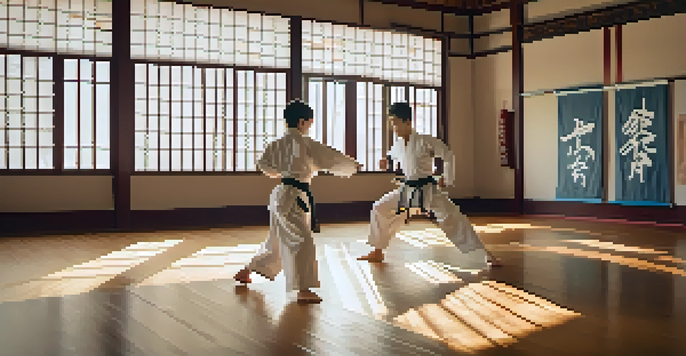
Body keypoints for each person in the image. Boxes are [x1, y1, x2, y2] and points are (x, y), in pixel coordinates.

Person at [233, 99, 362, 303]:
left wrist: (283, 172)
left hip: (280, 194)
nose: (310, 126)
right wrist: (354, 166)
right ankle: (303, 289)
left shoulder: (277, 144)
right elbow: (332, 158)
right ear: (302, 122)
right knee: (302, 240)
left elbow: (264, 165)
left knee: (276, 240)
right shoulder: (306, 143)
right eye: (309, 122)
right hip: (294, 197)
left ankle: (247, 271)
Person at [357, 102, 502, 267]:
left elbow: (447, 155)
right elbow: (391, 157)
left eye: (396, 122)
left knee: (454, 218)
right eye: (392, 123)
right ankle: (377, 251)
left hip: (428, 190)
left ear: (408, 122)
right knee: (379, 207)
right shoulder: (398, 144)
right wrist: (385, 163)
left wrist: (446, 178)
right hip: (408, 190)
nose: (394, 127)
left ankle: (485, 255)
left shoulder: (425, 141)